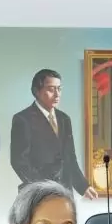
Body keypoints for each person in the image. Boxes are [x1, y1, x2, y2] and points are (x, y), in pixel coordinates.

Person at [10, 69, 100, 199]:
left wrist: (83, 186)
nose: (57, 94)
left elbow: (70, 158)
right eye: (51, 89)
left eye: (59, 89)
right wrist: (43, 187)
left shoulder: (64, 119)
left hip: (64, 191)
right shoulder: (23, 119)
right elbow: (19, 162)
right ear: (36, 91)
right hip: (38, 193)